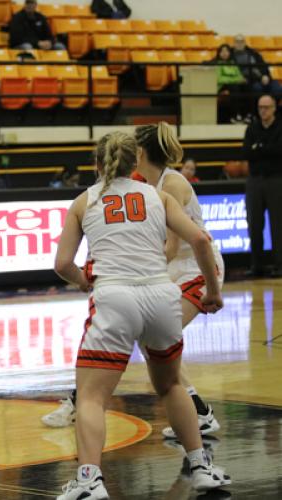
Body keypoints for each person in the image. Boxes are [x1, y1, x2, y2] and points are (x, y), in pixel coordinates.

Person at [55, 130, 230, 499]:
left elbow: (62, 264)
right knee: (171, 386)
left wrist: (84, 280)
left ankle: (89, 480)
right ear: (134, 162)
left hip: (116, 296)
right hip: (161, 295)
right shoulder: (158, 195)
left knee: (90, 397)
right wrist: (213, 291)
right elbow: (200, 240)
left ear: (97, 164)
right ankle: (201, 467)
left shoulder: (83, 202)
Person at [243, 94, 282, 278]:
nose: (263, 111)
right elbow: (246, 152)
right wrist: (266, 149)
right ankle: (257, 265)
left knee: (278, 225)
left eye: (267, 107)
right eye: (260, 107)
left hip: (276, 179)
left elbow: (278, 152)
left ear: (274, 108)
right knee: (254, 224)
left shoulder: (280, 127)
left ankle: (279, 265)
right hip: (255, 181)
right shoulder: (252, 128)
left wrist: (259, 148)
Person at [214, 44, 250, 123]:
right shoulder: (217, 63)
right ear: (219, 53)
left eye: (226, 51)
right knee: (235, 87)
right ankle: (235, 115)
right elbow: (220, 79)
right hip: (222, 86)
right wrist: (235, 80)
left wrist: (240, 80)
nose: (224, 53)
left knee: (247, 86)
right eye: (222, 51)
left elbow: (240, 76)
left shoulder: (233, 63)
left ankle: (247, 115)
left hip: (234, 85)